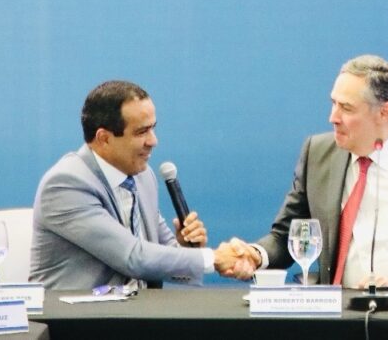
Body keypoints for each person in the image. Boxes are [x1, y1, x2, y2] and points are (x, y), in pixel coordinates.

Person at [221, 55, 388, 287]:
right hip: (337, 311)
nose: (333, 117)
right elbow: (286, 236)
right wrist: (256, 255)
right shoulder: (317, 154)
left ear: (384, 112)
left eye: (346, 108)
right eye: (333, 103)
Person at [30, 80, 238, 288]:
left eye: (153, 128)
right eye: (141, 132)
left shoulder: (143, 176)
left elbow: (160, 257)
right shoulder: (65, 184)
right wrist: (213, 258)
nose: (153, 141)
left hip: (139, 307)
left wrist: (187, 248)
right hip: (82, 308)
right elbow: (133, 257)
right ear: (104, 138)